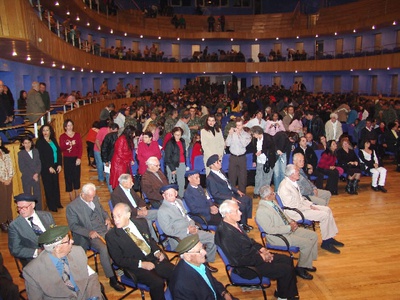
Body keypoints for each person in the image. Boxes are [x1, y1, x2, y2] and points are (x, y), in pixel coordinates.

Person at [215, 200, 299, 300]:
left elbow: (249, 242)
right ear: (228, 214)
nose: (241, 213)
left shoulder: (233, 224)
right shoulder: (225, 235)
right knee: (286, 270)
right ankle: (285, 296)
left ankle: (282, 291)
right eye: (237, 211)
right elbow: (239, 260)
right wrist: (262, 257)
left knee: (287, 260)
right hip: (248, 267)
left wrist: (262, 249)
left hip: (254, 257)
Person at [106, 203, 174, 300]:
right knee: (158, 283)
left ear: (128, 215)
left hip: (152, 257)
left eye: (119, 216)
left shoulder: (141, 222)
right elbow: (119, 260)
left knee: (174, 271)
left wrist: (156, 251)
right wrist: (141, 264)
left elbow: (150, 240)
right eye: (113, 216)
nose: (115, 219)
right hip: (135, 266)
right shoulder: (112, 236)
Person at [66, 183, 125, 291]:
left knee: (123, 238)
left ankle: (124, 266)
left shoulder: (95, 199)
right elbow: (73, 226)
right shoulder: (72, 207)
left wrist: (107, 218)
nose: (92, 199)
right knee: (104, 248)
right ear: (82, 195)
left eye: (93, 196)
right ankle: (112, 278)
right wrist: (89, 233)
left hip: (104, 228)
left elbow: (103, 211)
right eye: (90, 197)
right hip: (90, 235)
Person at [23, 226, 103, 300]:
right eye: (68, 241)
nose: (72, 241)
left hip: (85, 295)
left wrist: (93, 296)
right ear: (57, 248)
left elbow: (91, 276)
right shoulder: (32, 272)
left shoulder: (78, 251)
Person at [256, 185, 318, 280]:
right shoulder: (262, 211)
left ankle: (306, 263)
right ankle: (300, 268)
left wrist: (291, 221)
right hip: (278, 237)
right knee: (307, 243)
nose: (275, 194)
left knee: (313, 235)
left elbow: (283, 215)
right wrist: (289, 227)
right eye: (273, 193)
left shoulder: (272, 202)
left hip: (288, 229)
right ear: (267, 196)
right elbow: (270, 230)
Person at [278, 165, 343, 254]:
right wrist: (309, 207)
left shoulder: (293, 182)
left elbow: (301, 199)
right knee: (324, 215)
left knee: (327, 209)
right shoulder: (285, 187)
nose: (299, 173)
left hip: (302, 207)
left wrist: (311, 205)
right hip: (296, 212)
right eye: (297, 172)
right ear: (292, 174)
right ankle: (326, 242)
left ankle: (330, 237)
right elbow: (292, 205)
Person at [157, 184, 218, 273]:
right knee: (197, 245)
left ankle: (206, 262)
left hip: (191, 230)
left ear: (176, 193)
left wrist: (193, 226)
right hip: (179, 237)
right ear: (163, 196)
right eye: (167, 194)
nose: (170, 196)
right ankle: (198, 266)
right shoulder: (162, 211)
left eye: (172, 193)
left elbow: (187, 217)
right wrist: (187, 230)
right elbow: (168, 231)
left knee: (212, 238)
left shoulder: (179, 201)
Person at [170, 234, 235, 300]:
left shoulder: (198, 263)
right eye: (199, 251)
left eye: (203, 247)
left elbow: (212, 280)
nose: (205, 252)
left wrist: (224, 293)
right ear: (188, 256)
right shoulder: (182, 285)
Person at [206, 154, 253, 232]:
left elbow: (229, 185)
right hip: (223, 199)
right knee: (242, 206)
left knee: (247, 199)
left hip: (231, 194)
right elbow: (215, 194)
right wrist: (230, 198)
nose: (220, 163)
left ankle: (244, 223)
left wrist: (237, 191)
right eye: (218, 162)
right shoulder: (210, 178)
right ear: (212, 165)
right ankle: (240, 225)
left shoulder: (221, 171)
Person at [8, 193, 55, 267]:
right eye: (19, 208)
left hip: (54, 252)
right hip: (34, 261)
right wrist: (37, 252)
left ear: (33, 205)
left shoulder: (47, 216)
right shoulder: (15, 226)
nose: (21, 211)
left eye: (24, 207)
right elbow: (15, 249)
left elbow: (54, 233)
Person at [111, 174, 158, 240]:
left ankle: (165, 236)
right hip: (132, 215)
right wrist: (137, 212)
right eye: (130, 182)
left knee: (159, 213)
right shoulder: (116, 194)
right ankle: (153, 241)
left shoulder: (129, 189)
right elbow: (123, 210)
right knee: (147, 222)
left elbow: (139, 199)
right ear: (124, 184)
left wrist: (143, 206)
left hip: (139, 210)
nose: (133, 184)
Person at [35, 124, 62, 212]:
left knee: (56, 185)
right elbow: (40, 157)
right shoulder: (40, 142)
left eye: (47, 130)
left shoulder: (53, 140)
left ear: (50, 131)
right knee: (49, 187)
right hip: (46, 168)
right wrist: (48, 167)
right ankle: (52, 205)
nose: (45, 132)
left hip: (55, 166)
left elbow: (58, 152)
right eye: (44, 130)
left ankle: (57, 203)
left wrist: (59, 164)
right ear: (41, 132)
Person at [225, 117, 252, 192]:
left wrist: (239, 135)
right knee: (232, 178)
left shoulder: (247, 135)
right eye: (237, 125)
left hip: (242, 158)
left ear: (243, 125)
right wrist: (230, 134)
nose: (238, 127)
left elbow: (244, 144)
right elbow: (227, 144)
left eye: (239, 125)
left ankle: (242, 195)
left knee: (242, 178)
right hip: (233, 157)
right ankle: (232, 194)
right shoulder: (232, 133)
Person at [59, 119, 82, 201]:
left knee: (76, 176)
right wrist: (69, 144)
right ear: (65, 127)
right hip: (67, 158)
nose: (69, 127)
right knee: (68, 177)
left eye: (71, 125)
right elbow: (61, 148)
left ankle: (77, 194)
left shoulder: (77, 135)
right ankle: (71, 196)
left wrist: (79, 158)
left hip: (76, 158)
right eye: (68, 125)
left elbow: (80, 148)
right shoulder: (62, 136)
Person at [250, 126, 276, 198]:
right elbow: (254, 151)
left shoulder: (268, 138)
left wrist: (261, 151)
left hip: (268, 161)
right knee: (258, 177)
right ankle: (257, 191)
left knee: (267, 178)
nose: (253, 136)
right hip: (259, 160)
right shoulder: (255, 140)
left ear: (257, 133)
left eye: (253, 134)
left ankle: (265, 193)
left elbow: (271, 148)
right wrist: (254, 160)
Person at [17, 136, 42, 210]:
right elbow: (22, 168)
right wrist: (32, 175)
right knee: (28, 196)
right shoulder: (21, 154)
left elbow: (39, 163)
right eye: (25, 143)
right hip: (27, 178)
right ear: (22, 144)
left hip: (36, 176)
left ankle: (38, 211)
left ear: (31, 143)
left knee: (37, 195)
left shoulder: (35, 151)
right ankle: (30, 212)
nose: (27, 144)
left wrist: (37, 173)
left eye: (29, 142)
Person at [110, 125, 136, 190]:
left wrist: (131, 159)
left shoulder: (128, 139)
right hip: (119, 163)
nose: (134, 134)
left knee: (126, 178)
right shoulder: (121, 139)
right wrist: (128, 159)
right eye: (133, 133)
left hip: (124, 161)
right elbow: (119, 153)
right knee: (119, 180)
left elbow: (130, 151)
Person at [164, 127, 187, 197]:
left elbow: (184, 152)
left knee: (181, 182)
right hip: (172, 164)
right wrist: (172, 168)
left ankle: (181, 196)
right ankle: (171, 197)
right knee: (171, 182)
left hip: (182, 163)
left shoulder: (182, 141)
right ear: (173, 134)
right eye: (176, 135)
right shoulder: (170, 143)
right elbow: (167, 158)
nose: (178, 136)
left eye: (179, 135)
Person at [100, 123, 119, 192]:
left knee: (108, 176)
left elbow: (103, 149)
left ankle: (112, 192)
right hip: (116, 160)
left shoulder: (107, 136)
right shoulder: (120, 136)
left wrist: (105, 161)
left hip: (108, 160)